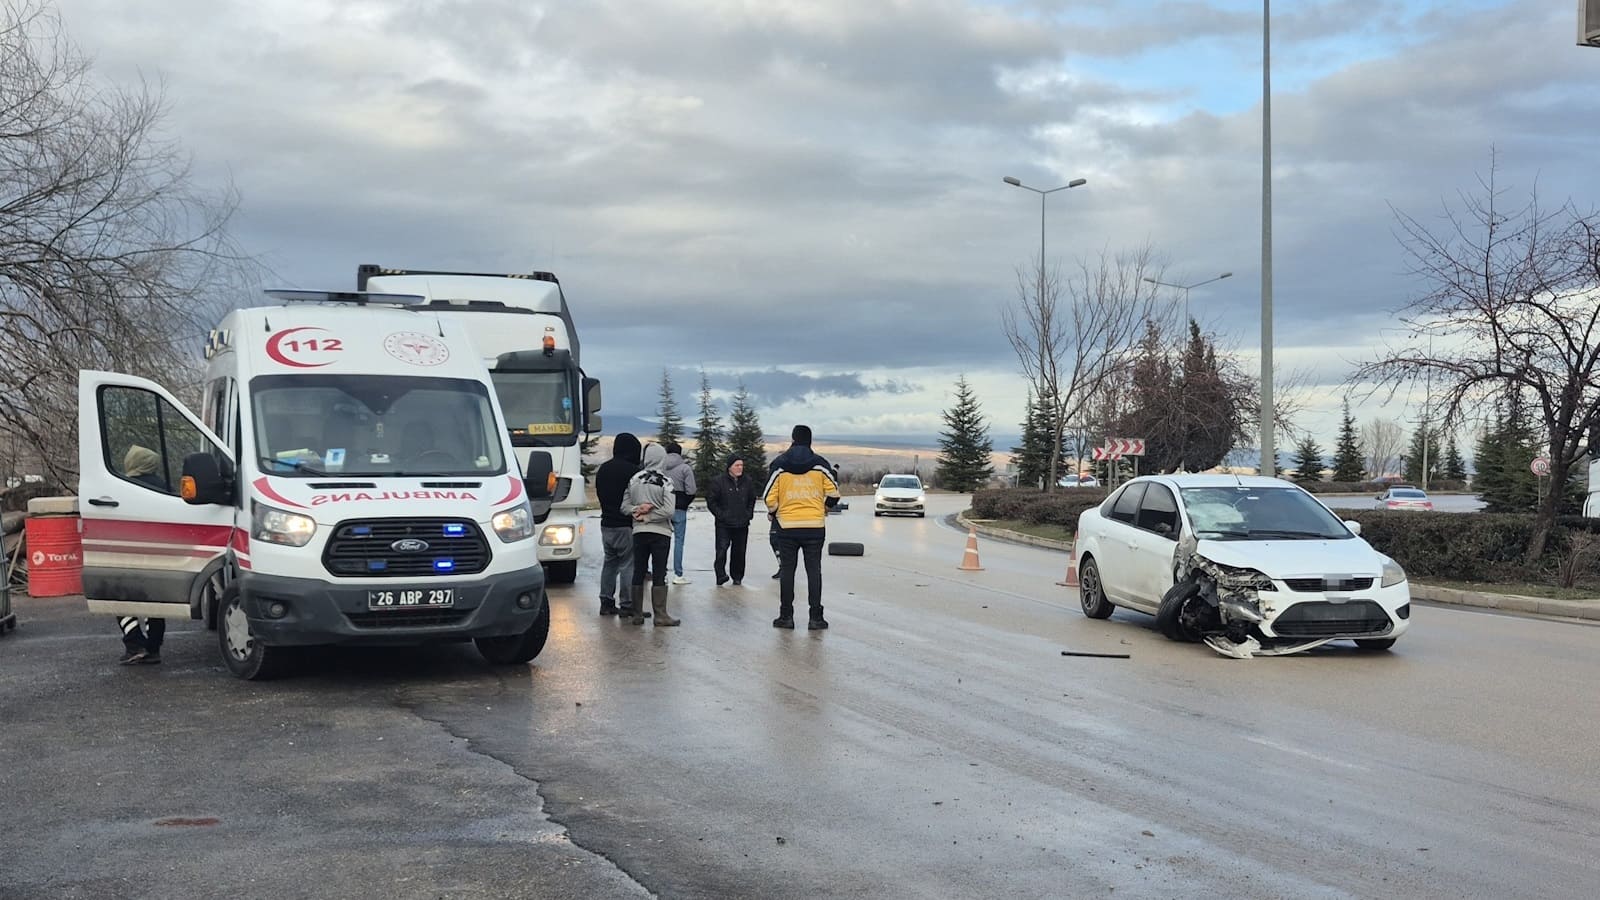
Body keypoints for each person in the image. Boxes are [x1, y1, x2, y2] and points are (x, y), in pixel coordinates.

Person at [762, 425, 840, 630]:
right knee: (814, 571)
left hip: (786, 527)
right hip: (814, 526)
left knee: (788, 571)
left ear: (793, 439)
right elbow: (834, 493)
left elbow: (768, 497)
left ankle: (786, 616)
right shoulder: (820, 465)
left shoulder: (779, 465)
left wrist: (774, 512)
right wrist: (824, 508)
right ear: (810, 440)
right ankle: (816, 618)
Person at [117, 445, 168, 664]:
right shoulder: (163, 487)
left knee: (120, 599)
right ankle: (153, 648)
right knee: (153, 603)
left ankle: (134, 643)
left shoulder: (125, 487)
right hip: (159, 554)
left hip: (130, 552)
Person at [623, 443, 680, 626]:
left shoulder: (634, 480)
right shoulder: (666, 482)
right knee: (659, 571)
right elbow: (670, 510)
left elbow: (624, 506)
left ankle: (637, 613)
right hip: (661, 532)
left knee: (638, 570)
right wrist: (651, 516)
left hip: (639, 531)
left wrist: (637, 510)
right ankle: (661, 614)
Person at [594, 433, 641, 616]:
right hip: (625, 525)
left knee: (610, 563)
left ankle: (606, 601)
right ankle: (627, 604)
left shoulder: (604, 469)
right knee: (628, 564)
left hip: (606, 523)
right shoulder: (632, 472)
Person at [706, 454, 757, 586]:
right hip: (724, 524)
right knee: (721, 550)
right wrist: (721, 515)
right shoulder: (718, 481)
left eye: (741, 465)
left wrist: (748, 514)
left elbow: (752, 498)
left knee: (739, 551)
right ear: (729, 467)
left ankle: (737, 576)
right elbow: (711, 501)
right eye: (737, 465)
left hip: (742, 522)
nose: (740, 468)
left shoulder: (747, 481)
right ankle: (720, 575)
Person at [661, 441, 697, 584]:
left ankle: (661, 573)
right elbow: (692, 490)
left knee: (662, 541)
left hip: (663, 509)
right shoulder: (685, 468)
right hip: (680, 509)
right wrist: (685, 503)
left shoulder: (661, 467)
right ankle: (678, 574)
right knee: (679, 541)